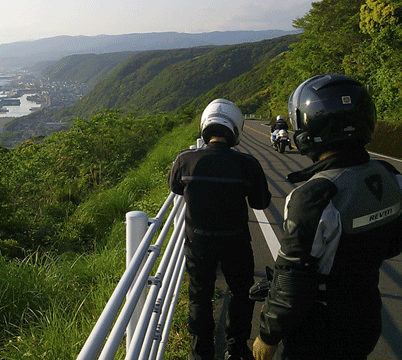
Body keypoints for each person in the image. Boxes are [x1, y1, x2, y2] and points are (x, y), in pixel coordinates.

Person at [253, 74, 402, 360]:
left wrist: (267, 335)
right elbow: (394, 243)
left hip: (320, 329)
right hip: (367, 314)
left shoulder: (314, 196)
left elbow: (292, 279)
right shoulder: (391, 176)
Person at [169, 99, 271, 360]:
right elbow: (261, 202)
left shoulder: (185, 159)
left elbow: (176, 188)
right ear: (236, 128)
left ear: (205, 125)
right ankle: (236, 348)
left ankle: (200, 352)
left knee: (199, 296)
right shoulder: (247, 164)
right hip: (236, 241)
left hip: (198, 242)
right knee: (241, 293)